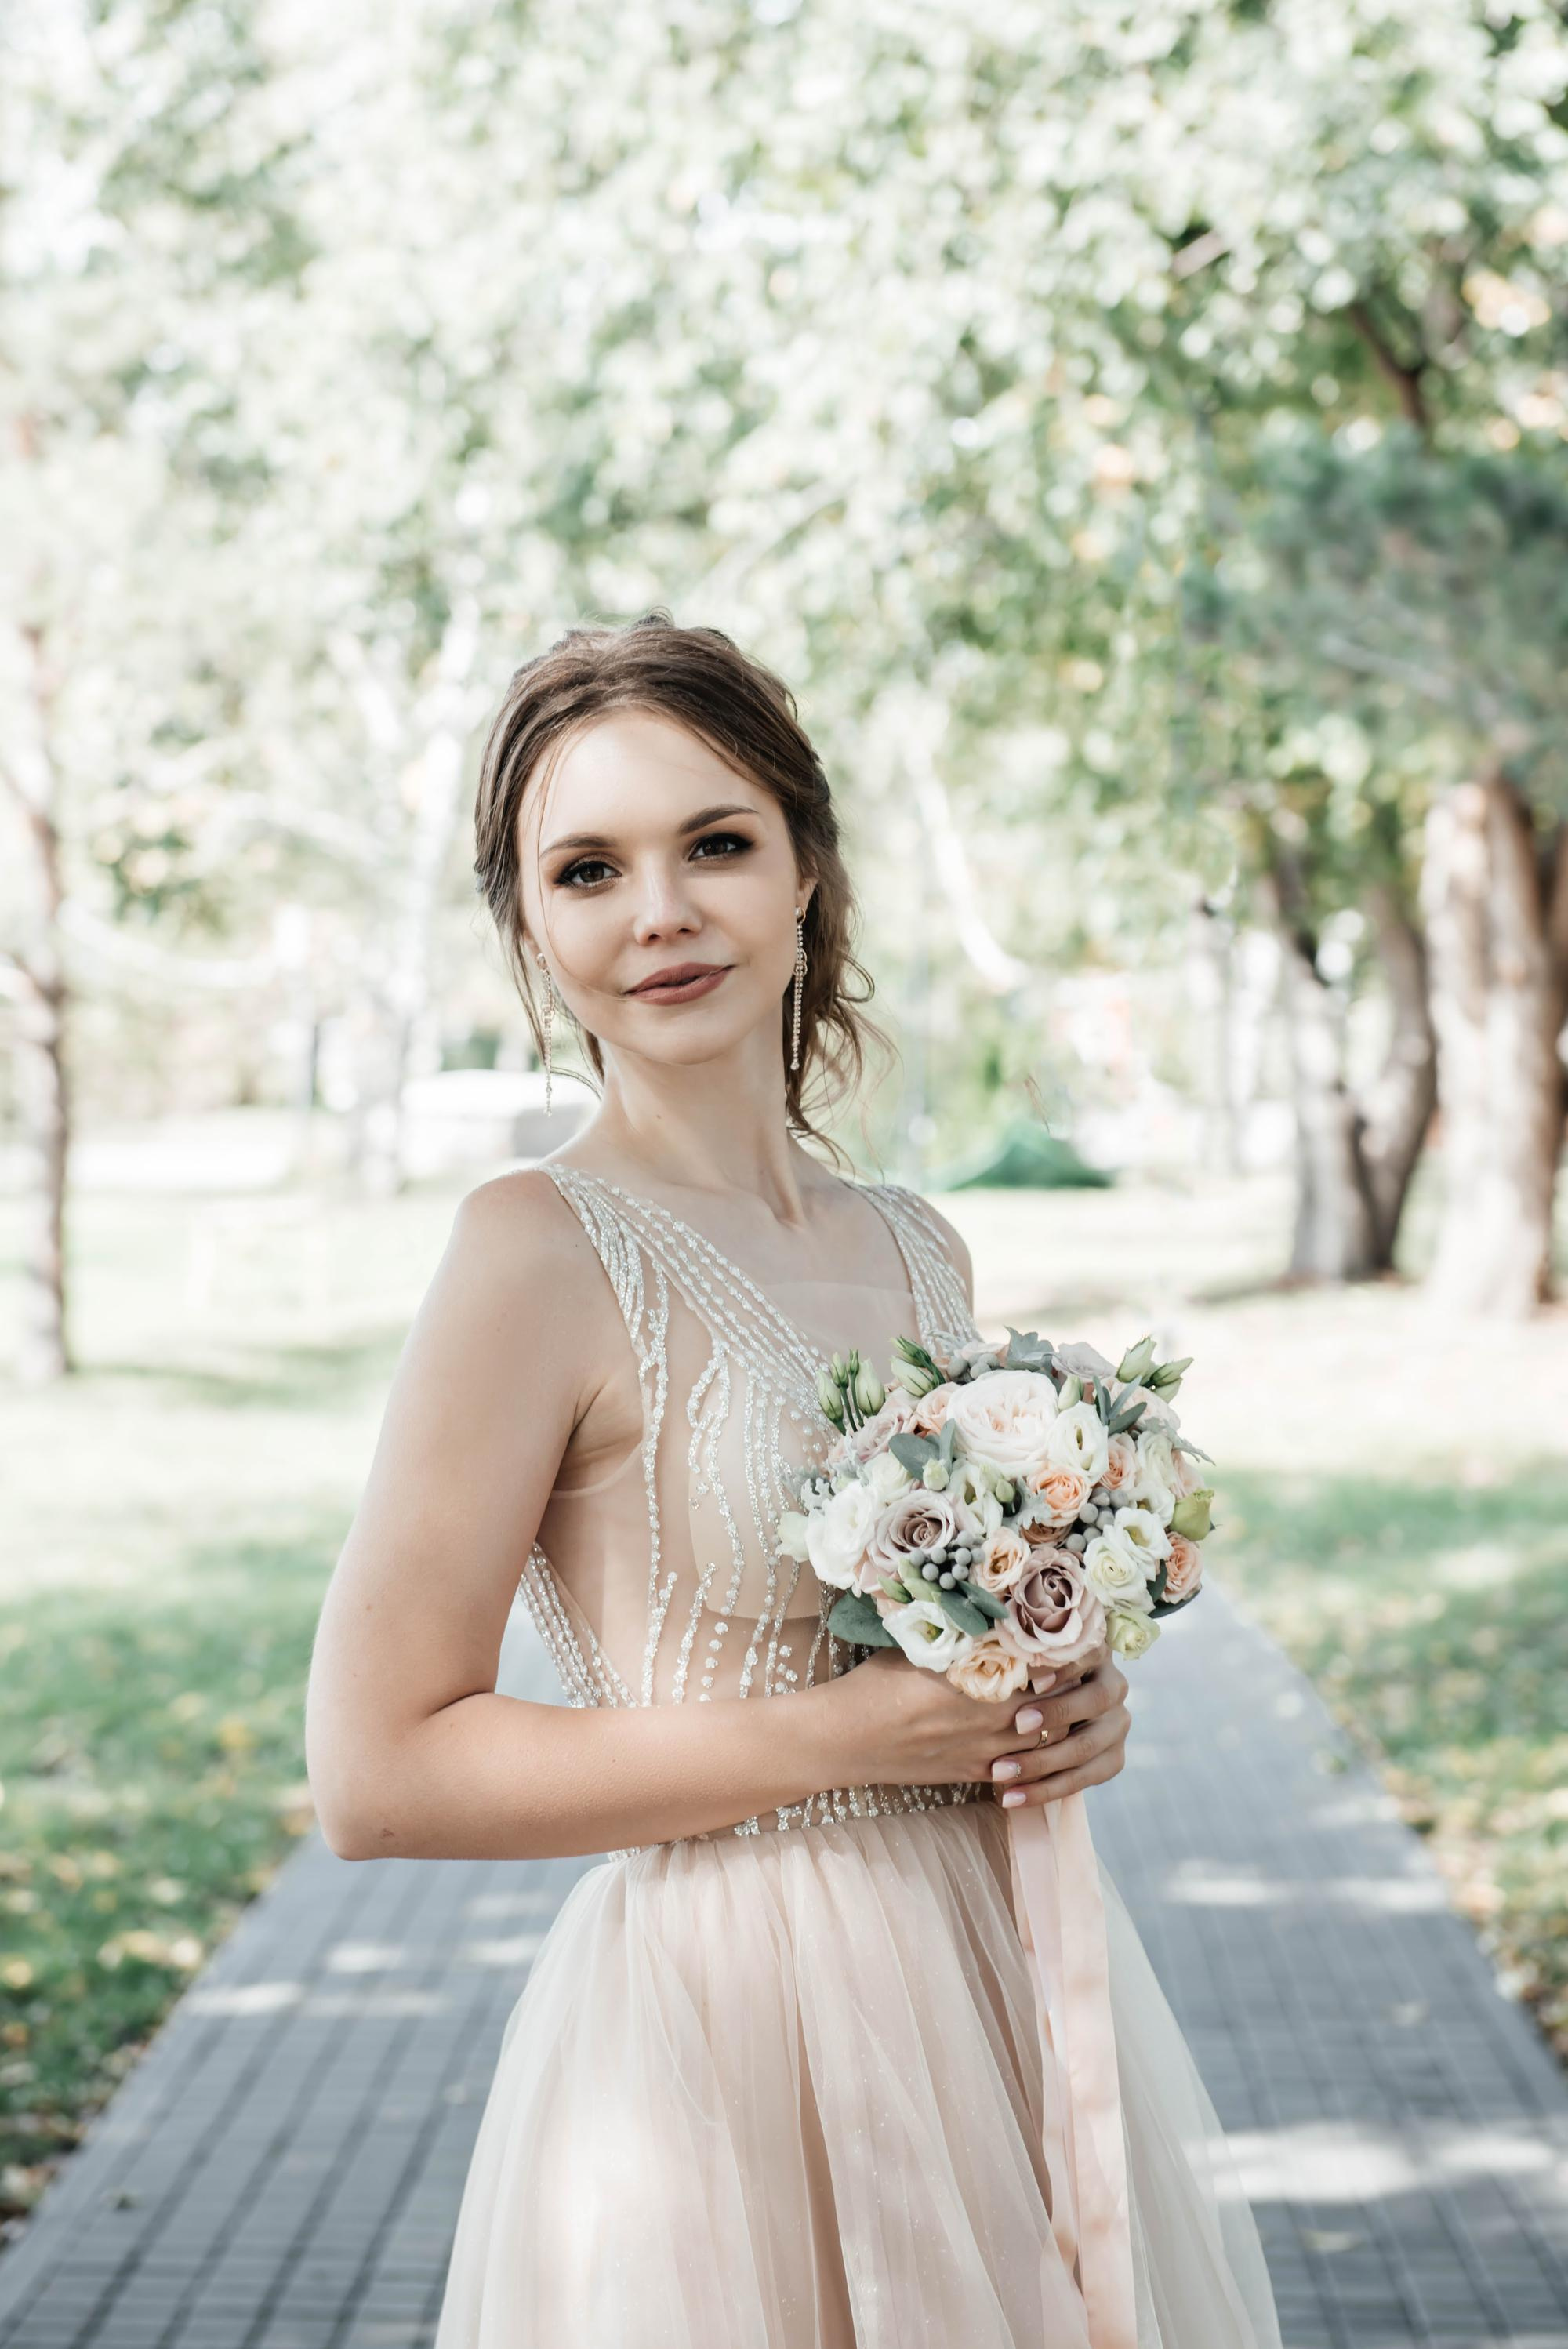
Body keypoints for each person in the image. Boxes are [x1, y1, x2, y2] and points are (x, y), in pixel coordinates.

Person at [305, 614, 1282, 2349]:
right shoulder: (531, 1251)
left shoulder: (917, 1244)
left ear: (807, 867)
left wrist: (1056, 1706)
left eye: (716, 843)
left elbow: (925, 1650)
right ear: (530, 928)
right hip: (721, 2045)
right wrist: (832, 1745)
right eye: (588, 868)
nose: (659, 911)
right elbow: (377, 1772)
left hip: (987, 1979)